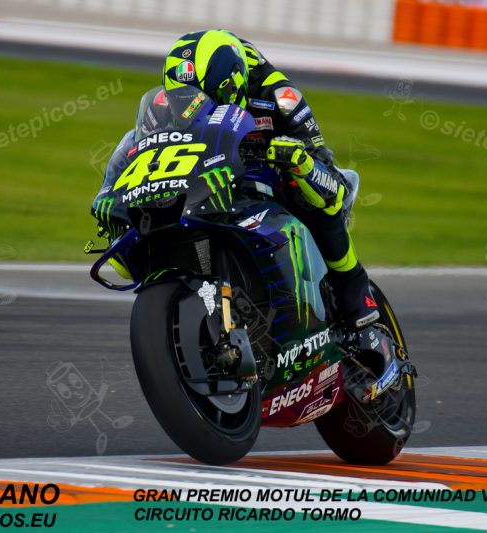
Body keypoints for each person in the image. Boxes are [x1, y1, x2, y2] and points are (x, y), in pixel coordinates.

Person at [162, 29, 380, 331]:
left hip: (274, 176)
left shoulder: (278, 95)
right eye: (183, 99)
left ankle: (355, 293)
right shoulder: (172, 99)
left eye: (210, 98)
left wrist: (298, 158)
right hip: (219, 174)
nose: (198, 106)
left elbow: (319, 156)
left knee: (316, 193)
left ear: (234, 81)